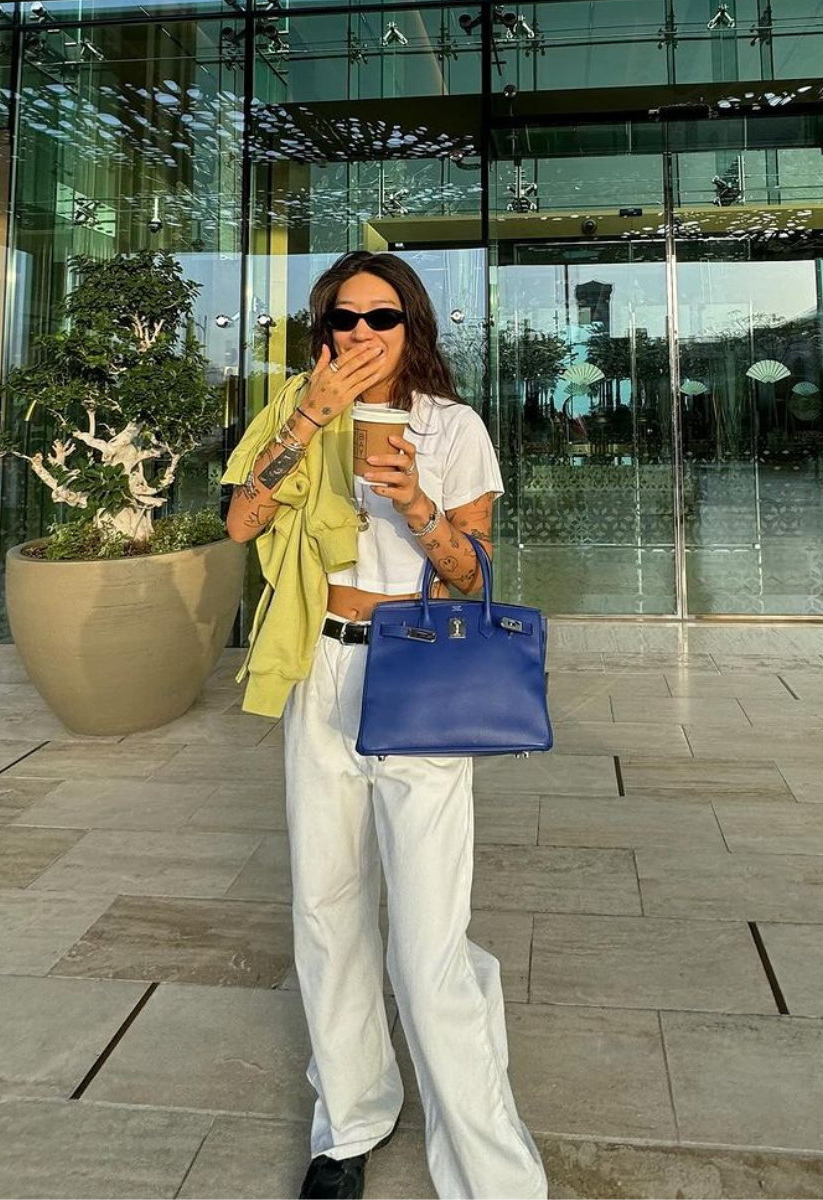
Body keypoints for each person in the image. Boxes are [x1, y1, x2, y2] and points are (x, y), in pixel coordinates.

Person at [223, 251, 548, 1200]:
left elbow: (473, 577)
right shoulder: (296, 413)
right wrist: (313, 418)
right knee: (326, 911)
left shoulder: (454, 428)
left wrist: (412, 501)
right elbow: (242, 522)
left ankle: (491, 1168)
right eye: (342, 320)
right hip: (321, 666)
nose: (359, 335)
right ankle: (349, 1122)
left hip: (422, 668)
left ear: (415, 330)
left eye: (382, 318)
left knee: (427, 940)